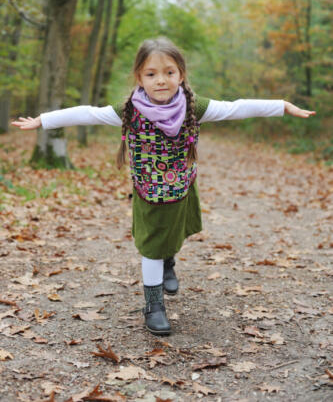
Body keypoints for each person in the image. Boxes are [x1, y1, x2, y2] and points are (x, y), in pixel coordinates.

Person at [12, 37, 316, 336]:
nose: (161, 80)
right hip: (148, 191)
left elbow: (235, 108)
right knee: (151, 245)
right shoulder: (130, 109)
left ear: (181, 75)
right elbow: (89, 113)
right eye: (151, 74)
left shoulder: (194, 106)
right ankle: (154, 306)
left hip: (181, 185)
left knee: (172, 233)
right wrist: (44, 120)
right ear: (139, 77)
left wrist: (282, 106)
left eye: (169, 72)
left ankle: (169, 259)